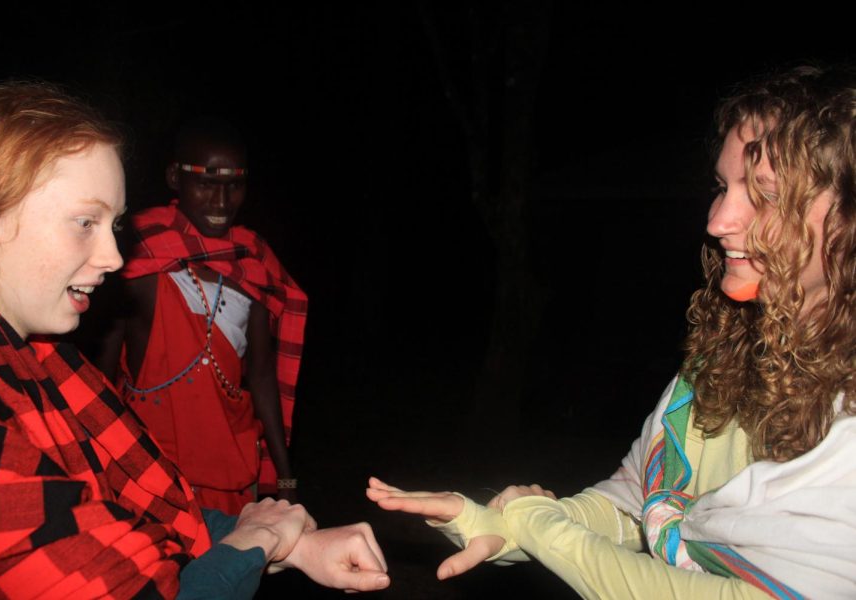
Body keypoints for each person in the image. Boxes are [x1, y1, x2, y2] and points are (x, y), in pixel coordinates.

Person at [367, 65, 856, 599]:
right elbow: (637, 505)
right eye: (723, 186)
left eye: (764, 195)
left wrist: (540, 527)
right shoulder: (724, 355)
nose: (718, 221)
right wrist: (499, 527)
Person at [0, 82, 389, 598]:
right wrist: (257, 541)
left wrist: (287, 523)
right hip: (169, 445)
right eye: (84, 222)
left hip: (219, 464)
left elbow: (148, 506)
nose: (114, 258)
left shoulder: (47, 361)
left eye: (113, 224)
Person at [97, 119, 303, 515]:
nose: (222, 201)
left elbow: (261, 377)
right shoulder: (135, 256)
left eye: (234, 184)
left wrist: (287, 478)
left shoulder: (251, 263)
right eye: (207, 182)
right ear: (175, 177)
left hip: (233, 472)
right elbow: (102, 377)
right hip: (149, 470)